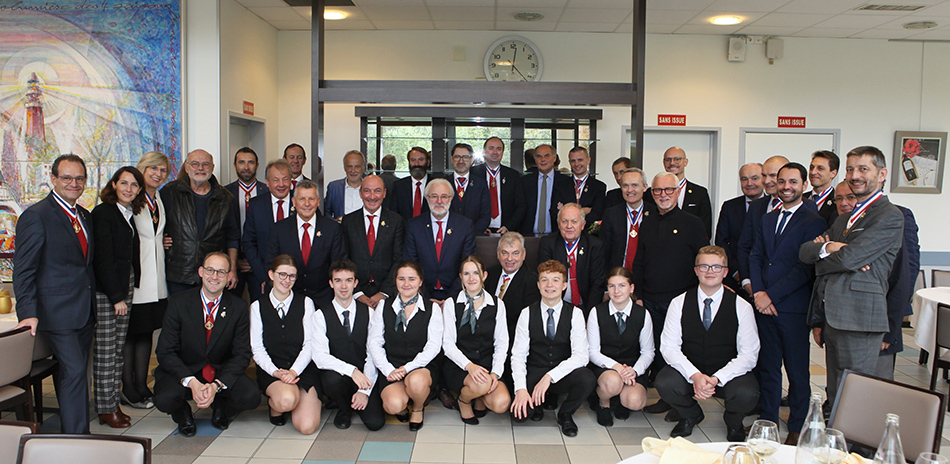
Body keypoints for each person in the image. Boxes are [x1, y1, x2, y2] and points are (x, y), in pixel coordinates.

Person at [800, 146, 904, 408]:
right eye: (850, 169)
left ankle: (859, 450)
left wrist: (833, 256)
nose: (855, 175)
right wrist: (829, 248)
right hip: (833, 316)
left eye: (863, 169)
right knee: (836, 392)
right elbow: (805, 252)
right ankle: (838, 447)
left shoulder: (888, 216)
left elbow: (849, 259)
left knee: (856, 396)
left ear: (882, 174)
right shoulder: (845, 218)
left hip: (859, 318)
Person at [14, 154, 97, 433]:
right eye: (67, 178)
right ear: (53, 179)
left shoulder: (83, 215)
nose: (74, 183)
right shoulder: (36, 216)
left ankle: (73, 431)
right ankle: (77, 440)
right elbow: (24, 270)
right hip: (55, 314)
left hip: (84, 312)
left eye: (79, 178)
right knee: (74, 372)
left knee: (71, 373)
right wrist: (27, 312)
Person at [748, 162, 826, 445]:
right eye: (782, 181)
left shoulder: (813, 221)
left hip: (792, 307)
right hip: (763, 305)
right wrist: (758, 292)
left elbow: (805, 268)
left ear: (804, 185)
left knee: (796, 370)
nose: (786, 187)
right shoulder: (768, 218)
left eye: (793, 182)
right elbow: (756, 256)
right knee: (768, 367)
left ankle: (797, 426)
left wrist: (771, 295)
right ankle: (768, 422)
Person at [656, 246, 760, 442]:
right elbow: (669, 347)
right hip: (691, 368)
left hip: (727, 371)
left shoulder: (742, 306)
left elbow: (749, 354)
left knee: (747, 393)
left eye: (716, 267)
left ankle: (733, 421)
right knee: (665, 382)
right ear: (696, 271)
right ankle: (690, 415)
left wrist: (717, 378)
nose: (710, 271)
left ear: (725, 272)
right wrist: (694, 375)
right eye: (704, 266)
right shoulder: (679, 303)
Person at [153, 252, 261, 436]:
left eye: (221, 272)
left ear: (228, 277)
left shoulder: (239, 307)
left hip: (219, 370)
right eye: (210, 270)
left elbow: (242, 354)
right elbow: (165, 351)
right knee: (164, 398)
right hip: (186, 369)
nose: (214, 277)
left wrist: (216, 385)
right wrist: (192, 382)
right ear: (201, 271)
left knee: (250, 396)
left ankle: (222, 408)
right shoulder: (179, 303)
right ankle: (182, 414)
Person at [633, 172, 708, 415]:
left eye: (668, 190)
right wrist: (640, 295)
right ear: (651, 193)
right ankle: (667, 397)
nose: (663, 195)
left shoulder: (693, 223)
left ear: (678, 192)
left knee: (678, 351)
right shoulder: (648, 222)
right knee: (657, 350)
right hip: (651, 300)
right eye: (657, 191)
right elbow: (640, 262)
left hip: (680, 302)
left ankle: (681, 401)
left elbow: (703, 263)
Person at [509, 260, 596, 437]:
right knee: (519, 416)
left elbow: (581, 356)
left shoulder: (575, 314)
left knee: (587, 378)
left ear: (564, 285)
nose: (550, 285)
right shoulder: (527, 313)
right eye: (544, 280)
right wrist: (521, 390)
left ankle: (565, 413)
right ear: (538, 284)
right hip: (535, 371)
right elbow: (518, 355)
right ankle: (538, 403)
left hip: (561, 373)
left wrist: (550, 377)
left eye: (555, 280)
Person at [91, 166, 145, 428]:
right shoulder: (104, 213)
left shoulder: (127, 213)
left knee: (116, 352)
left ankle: (112, 405)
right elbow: (103, 259)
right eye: (124, 183)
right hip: (108, 292)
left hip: (123, 286)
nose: (129, 189)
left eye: (134, 185)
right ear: (113, 185)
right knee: (106, 352)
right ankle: (105, 408)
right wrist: (115, 297)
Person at [368, 260, 444, 431]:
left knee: (416, 382)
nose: (406, 284)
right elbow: (374, 343)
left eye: (412, 279)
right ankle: (402, 406)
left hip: (420, 366)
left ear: (420, 281)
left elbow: (433, 346)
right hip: (392, 366)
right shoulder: (383, 306)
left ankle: (418, 407)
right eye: (401, 279)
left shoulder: (432, 308)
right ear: (395, 281)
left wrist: (408, 368)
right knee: (392, 406)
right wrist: (388, 370)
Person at [250, 255, 321, 434]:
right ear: (271, 274)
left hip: (302, 370)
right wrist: (276, 372)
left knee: (307, 427)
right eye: (282, 274)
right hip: (273, 371)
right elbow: (257, 349)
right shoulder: (257, 307)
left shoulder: (306, 303)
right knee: (286, 400)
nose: (286, 280)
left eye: (292, 276)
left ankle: (296, 397)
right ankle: (276, 406)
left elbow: (310, 344)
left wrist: (293, 372)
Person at [312, 260, 385, 431]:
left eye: (348, 280)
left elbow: (373, 352)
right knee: (332, 380)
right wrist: (351, 371)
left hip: (365, 376)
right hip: (338, 375)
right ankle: (343, 408)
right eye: (338, 280)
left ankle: (357, 401)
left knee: (375, 423)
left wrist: (364, 392)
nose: (343, 286)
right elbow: (320, 356)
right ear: (331, 283)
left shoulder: (368, 312)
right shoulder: (320, 315)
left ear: (356, 283)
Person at [124, 152, 171, 410]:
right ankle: (128, 389)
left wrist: (161, 241)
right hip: (137, 280)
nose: (157, 174)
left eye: (163, 170)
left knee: (145, 334)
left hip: (156, 280)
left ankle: (142, 385)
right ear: (142, 169)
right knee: (130, 336)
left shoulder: (158, 198)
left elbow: (155, 232)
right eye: (152, 168)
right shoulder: (132, 197)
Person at [442, 256, 512, 424]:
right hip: (460, 366)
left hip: (487, 366)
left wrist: (495, 372)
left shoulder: (497, 304)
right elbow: (448, 344)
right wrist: (470, 367)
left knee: (501, 403)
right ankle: (464, 401)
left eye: (476, 273)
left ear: (484, 275)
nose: (471, 278)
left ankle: (480, 397)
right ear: (461, 277)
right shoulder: (452, 304)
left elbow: (502, 343)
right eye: (466, 274)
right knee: (482, 384)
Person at [161, 149, 239, 295]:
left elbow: (232, 238)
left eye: (205, 164)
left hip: (213, 276)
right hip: (179, 273)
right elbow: (156, 224)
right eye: (195, 164)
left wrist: (232, 270)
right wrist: (159, 239)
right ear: (186, 167)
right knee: (181, 316)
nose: (200, 168)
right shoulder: (170, 192)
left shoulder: (226, 198)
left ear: (212, 168)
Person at [588, 267, 654, 427]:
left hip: (632, 368)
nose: (616, 291)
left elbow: (648, 352)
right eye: (611, 286)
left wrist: (634, 371)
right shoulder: (596, 312)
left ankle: (620, 400)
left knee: (635, 401)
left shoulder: (643, 314)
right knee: (612, 382)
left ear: (631, 288)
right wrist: (617, 367)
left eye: (622, 285)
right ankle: (603, 404)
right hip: (605, 367)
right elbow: (592, 351)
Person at [267, 179, 348, 309]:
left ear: (318, 202)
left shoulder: (332, 228)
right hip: (289, 299)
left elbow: (338, 265)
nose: (307, 204)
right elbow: (271, 263)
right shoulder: (279, 229)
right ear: (293, 202)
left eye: (311, 199)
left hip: (323, 300)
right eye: (302, 199)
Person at [404, 178, 477, 303]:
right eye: (434, 196)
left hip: (456, 296)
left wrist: (449, 300)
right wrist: (427, 299)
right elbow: (411, 265)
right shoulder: (414, 225)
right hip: (421, 295)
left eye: (444, 196)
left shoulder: (464, 226)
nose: (439, 201)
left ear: (451, 198)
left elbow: (467, 266)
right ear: (427, 198)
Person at [341, 174, 404, 309]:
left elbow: (398, 260)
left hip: (387, 295)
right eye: (367, 191)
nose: (372, 196)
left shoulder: (396, 221)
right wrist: (357, 293)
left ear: (384, 193)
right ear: (360, 193)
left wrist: (383, 292)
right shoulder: (348, 221)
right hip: (355, 295)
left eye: (377, 190)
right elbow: (344, 259)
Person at [738, 155, 793, 297]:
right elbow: (745, 246)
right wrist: (746, 281)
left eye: (773, 176)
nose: (767, 181)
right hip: (756, 290)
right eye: (764, 175)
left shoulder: (807, 208)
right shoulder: (756, 206)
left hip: (790, 294)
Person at [538, 203, 606, 312]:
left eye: (574, 221)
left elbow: (597, 284)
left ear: (583, 225)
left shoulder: (594, 245)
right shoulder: (548, 243)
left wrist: (589, 315)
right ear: (558, 224)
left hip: (586, 306)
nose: (569, 226)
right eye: (564, 221)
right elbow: (546, 279)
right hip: (556, 306)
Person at [243, 160, 294, 301]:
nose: (281, 184)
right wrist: (265, 275)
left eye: (285, 179)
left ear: (291, 181)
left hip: (297, 279)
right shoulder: (256, 205)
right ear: (267, 182)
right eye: (275, 180)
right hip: (262, 279)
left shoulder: (302, 202)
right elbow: (248, 242)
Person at [225, 147, 268, 299]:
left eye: (250, 162)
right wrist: (234, 262)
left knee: (261, 304)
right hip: (232, 260)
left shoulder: (267, 192)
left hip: (260, 260)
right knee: (232, 307)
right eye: (241, 162)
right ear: (235, 164)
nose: (246, 167)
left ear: (257, 165)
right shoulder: (225, 193)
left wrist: (255, 261)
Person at [715, 163, 764, 295]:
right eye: (744, 179)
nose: (749, 183)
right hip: (734, 280)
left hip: (764, 278)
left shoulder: (772, 207)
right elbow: (721, 242)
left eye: (755, 178)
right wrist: (737, 272)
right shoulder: (729, 206)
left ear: (764, 179)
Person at [600, 168, 657, 272]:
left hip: (647, 275)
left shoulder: (655, 214)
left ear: (645, 187)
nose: (630, 190)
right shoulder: (611, 214)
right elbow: (604, 251)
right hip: (618, 275)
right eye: (625, 186)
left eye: (635, 185)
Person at [645, 147, 712, 236]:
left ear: (685, 162)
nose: (672, 163)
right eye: (668, 160)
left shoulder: (700, 193)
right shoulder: (651, 193)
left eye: (677, 159)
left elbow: (705, 229)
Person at [470, 137, 524, 234]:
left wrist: (508, 226)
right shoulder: (473, 173)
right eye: (491, 148)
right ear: (484, 151)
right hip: (479, 231)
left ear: (502, 152)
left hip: (506, 231)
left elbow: (521, 206)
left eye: (499, 149)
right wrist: (479, 227)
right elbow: (468, 205)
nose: (495, 152)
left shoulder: (513, 176)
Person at [519, 144, 573, 236]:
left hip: (556, 235)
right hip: (528, 235)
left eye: (547, 156)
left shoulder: (566, 182)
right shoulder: (524, 181)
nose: (543, 159)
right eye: (539, 156)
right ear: (535, 160)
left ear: (554, 158)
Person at [446, 143, 491, 234]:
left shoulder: (481, 184)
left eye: (465, 157)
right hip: (447, 237)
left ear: (472, 160)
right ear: (452, 159)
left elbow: (485, 216)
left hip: (473, 238)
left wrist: (469, 233)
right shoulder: (443, 184)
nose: (461, 161)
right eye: (457, 157)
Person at [390, 147, 435, 220]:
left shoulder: (435, 184)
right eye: (413, 160)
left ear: (428, 162)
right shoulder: (399, 186)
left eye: (421, 160)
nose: (417, 164)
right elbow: (394, 215)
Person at [567, 146, 607, 224]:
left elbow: (597, 214)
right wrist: (584, 211)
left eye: (580, 160)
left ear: (588, 160)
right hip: (566, 233)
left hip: (588, 233)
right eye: (573, 161)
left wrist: (567, 212)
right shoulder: (560, 186)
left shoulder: (599, 186)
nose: (576, 164)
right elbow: (555, 213)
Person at [325, 150, 366, 221]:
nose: (353, 171)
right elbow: (326, 213)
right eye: (349, 166)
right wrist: (334, 224)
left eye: (357, 167)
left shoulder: (370, 188)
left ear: (363, 167)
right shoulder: (334, 187)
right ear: (344, 167)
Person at [807, 150, 840, 227]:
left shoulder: (838, 203)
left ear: (833, 173)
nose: (813, 172)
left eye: (820, 168)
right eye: (812, 167)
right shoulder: (800, 198)